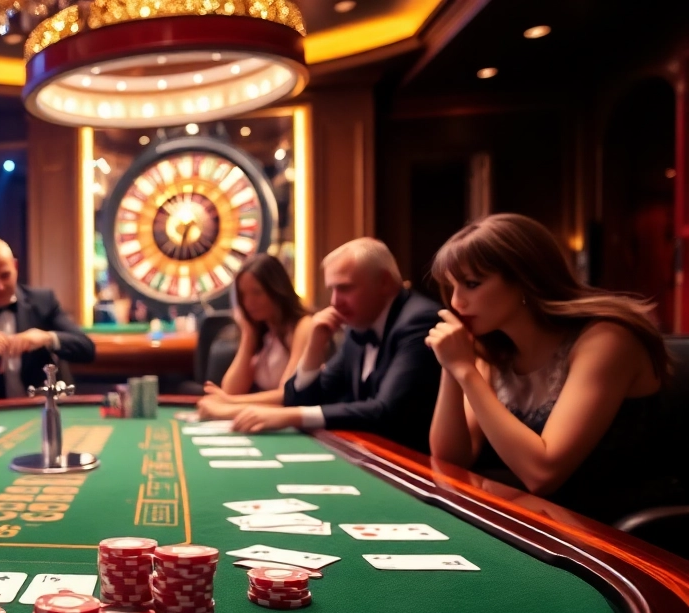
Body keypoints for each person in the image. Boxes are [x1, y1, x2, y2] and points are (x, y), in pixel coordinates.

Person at [426, 213, 681, 521]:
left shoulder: (608, 339)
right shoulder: (495, 348)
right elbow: (451, 459)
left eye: (471, 284)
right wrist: (451, 366)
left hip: (625, 534)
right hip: (546, 521)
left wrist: (465, 370)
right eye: (451, 287)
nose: (456, 303)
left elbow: (542, 474)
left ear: (525, 279)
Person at [226, 238, 443, 453]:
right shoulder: (358, 325)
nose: (334, 302)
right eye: (332, 289)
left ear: (384, 283)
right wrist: (313, 349)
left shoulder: (418, 320)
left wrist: (291, 417)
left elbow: (386, 411)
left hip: (414, 467)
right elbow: (305, 399)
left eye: (345, 288)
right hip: (368, 455)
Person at [0, 237, 95, 401]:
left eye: (5, 275)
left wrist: (47, 337)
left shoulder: (43, 302)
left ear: (15, 266)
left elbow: (87, 349)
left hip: (43, 409)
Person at [196, 254, 314, 419]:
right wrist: (248, 334)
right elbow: (231, 389)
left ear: (277, 290)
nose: (248, 303)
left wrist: (229, 403)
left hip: (296, 424)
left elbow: (287, 396)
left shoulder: (304, 326)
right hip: (266, 419)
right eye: (243, 295)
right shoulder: (263, 331)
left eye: (257, 293)